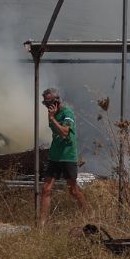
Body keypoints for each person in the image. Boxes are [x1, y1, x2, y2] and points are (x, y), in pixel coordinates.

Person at [39, 88, 88, 225]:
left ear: (57, 101)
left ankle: (87, 213)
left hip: (67, 156)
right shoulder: (51, 114)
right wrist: (52, 117)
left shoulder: (67, 113)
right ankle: (41, 225)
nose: (48, 107)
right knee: (46, 189)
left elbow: (65, 132)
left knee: (73, 190)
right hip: (54, 156)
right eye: (45, 104)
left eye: (50, 103)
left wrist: (52, 118)